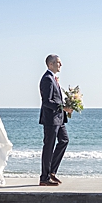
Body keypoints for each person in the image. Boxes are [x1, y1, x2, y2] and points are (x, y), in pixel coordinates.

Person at [38, 54, 73, 186]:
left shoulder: (53, 78)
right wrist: (63, 108)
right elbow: (47, 101)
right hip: (50, 119)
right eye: (58, 62)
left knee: (64, 140)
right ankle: (44, 178)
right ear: (50, 64)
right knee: (49, 146)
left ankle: (52, 171)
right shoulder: (47, 79)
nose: (61, 64)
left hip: (59, 119)